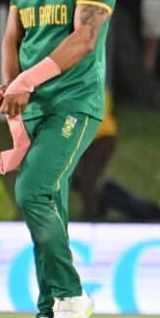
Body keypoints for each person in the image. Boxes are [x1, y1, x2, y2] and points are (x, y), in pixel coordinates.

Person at [0, 0, 120, 318]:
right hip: (37, 108)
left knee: (32, 191)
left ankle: (71, 296)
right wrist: (12, 86)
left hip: (75, 104)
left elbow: (83, 40)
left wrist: (31, 80)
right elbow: (12, 37)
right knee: (51, 206)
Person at [69, 88, 117, 221]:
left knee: (87, 180)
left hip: (101, 139)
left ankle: (92, 216)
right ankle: (102, 200)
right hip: (84, 140)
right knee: (73, 178)